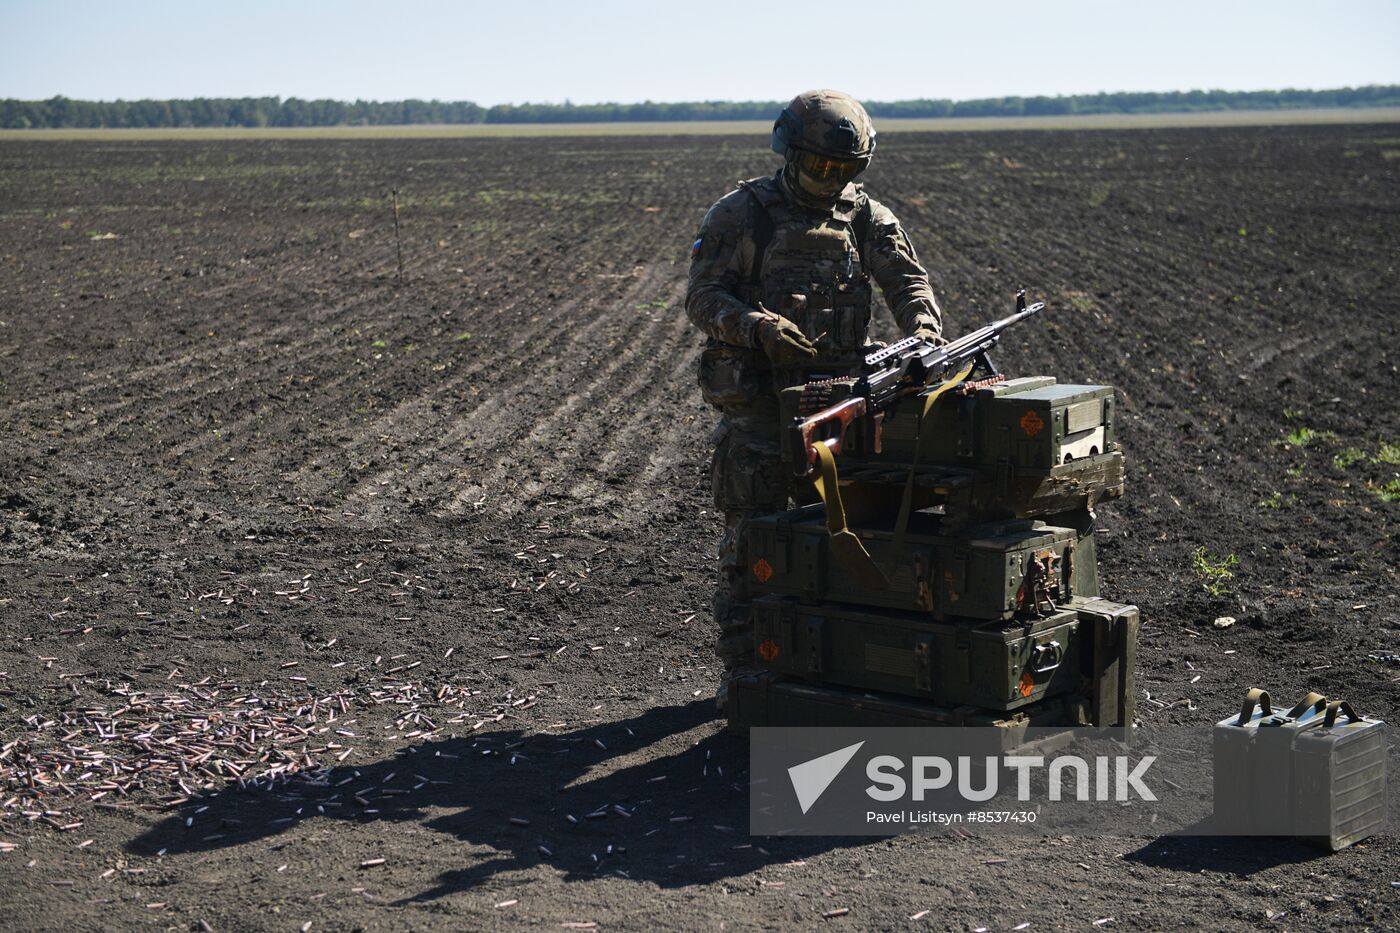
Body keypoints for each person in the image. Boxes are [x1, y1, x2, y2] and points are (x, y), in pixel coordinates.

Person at [685, 89, 947, 709]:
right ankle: (747, 680)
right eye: (819, 167)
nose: (830, 180)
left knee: (846, 544)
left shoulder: (866, 218)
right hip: (760, 414)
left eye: (845, 170)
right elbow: (703, 298)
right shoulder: (743, 213)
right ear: (789, 154)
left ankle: (829, 677)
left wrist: (924, 334)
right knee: (754, 551)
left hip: (844, 410)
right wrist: (756, 327)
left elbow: (908, 282)